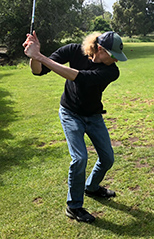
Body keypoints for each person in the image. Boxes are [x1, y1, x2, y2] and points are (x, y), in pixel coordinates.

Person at [23, 31, 127, 223]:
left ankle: (92, 187)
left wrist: (40, 56)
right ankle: (74, 207)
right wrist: (33, 56)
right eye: (113, 56)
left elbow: (79, 77)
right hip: (70, 113)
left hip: (93, 116)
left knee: (107, 159)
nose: (116, 60)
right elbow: (38, 70)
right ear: (100, 49)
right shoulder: (73, 50)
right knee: (79, 158)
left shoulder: (112, 71)